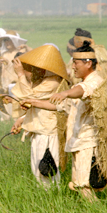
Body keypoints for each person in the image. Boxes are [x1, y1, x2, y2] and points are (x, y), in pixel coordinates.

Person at [21, 41, 104, 201]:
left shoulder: (94, 82)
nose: (73, 66)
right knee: (82, 184)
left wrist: (65, 93)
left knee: (84, 186)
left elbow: (80, 91)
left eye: (76, 63)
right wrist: (34, 103)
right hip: (79, 142)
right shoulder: (82, 84)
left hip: (89, 142)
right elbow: (60, 106)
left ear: (88, 63)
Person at [10, 44, 69, 187]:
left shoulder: (53, 81)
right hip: (39, 128)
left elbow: (30, 96)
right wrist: (22, 119)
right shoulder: (43, 80)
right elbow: (35, 103)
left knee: (47, 169)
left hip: (48, 130)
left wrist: (20, 74)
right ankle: (45, 198)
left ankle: (52, 199)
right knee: (37, 168)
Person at [0, 30, 31, 120]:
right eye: (5, 40)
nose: (7, 42)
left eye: (9, 40)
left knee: (16, 107)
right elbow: (0, 71)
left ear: (14, 41)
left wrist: (8, 64)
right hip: (5, 84)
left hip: (16, 84)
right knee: (5, 106)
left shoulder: (20, 53)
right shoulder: (4, 54)